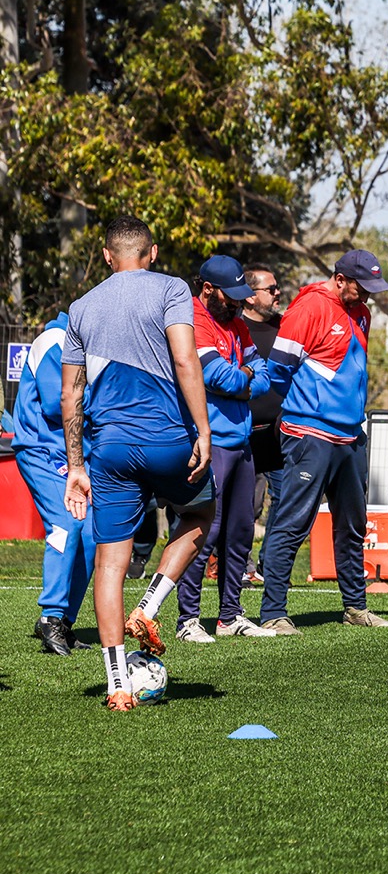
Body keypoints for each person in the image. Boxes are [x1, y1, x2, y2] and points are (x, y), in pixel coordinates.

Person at [59, 215, 216, 709]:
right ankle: (149, 605)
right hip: (169, 442)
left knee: (110, 562)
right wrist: (204, 430)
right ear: (151, 253)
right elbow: (187, 361)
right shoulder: (171, 288)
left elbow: (70, 394)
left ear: (108, 256)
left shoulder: (81, 307)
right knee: (199, 515)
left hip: (108, 452)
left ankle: (116, 685)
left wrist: (76, 464)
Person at [256, 249, 388, 634]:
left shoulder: (361, 314)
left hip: (350, 435)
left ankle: (355, 607)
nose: (366, 296)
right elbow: (279, 369)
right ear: (339, 279)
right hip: (308, 435)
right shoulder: (309, 308)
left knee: (352, 524)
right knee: (292, 524)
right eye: (360, 287)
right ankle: (272, 614)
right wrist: (303, 410)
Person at [174, 257, 278, 642]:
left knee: (239, 533)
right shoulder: (194, 321)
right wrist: (245, 378)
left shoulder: (236, 324)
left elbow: (260, 375)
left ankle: (230, 615)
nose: (236, 304)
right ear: (207, 290)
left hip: (242, 442)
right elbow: (216, 376)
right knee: (203, 533)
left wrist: (244, 378)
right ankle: (188, 620)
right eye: (229, 296)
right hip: (210, 443)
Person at [13, 313, 95, 655]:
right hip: (40, 451)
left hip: (76, 456)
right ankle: (49, 616)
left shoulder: (92, 345)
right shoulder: (54, 340)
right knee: (66, 523)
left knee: (92, 534)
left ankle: (64, 620)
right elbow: (57, 402)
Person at [241, 263, 285, 584]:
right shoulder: (234, 329)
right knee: (246, 505)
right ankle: (241, 567)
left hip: (282, 433)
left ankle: (270, 564)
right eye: (270, 289)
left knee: (286, 500)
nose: (277, 293)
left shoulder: (287, 328)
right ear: (249, 297)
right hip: (243, 432)